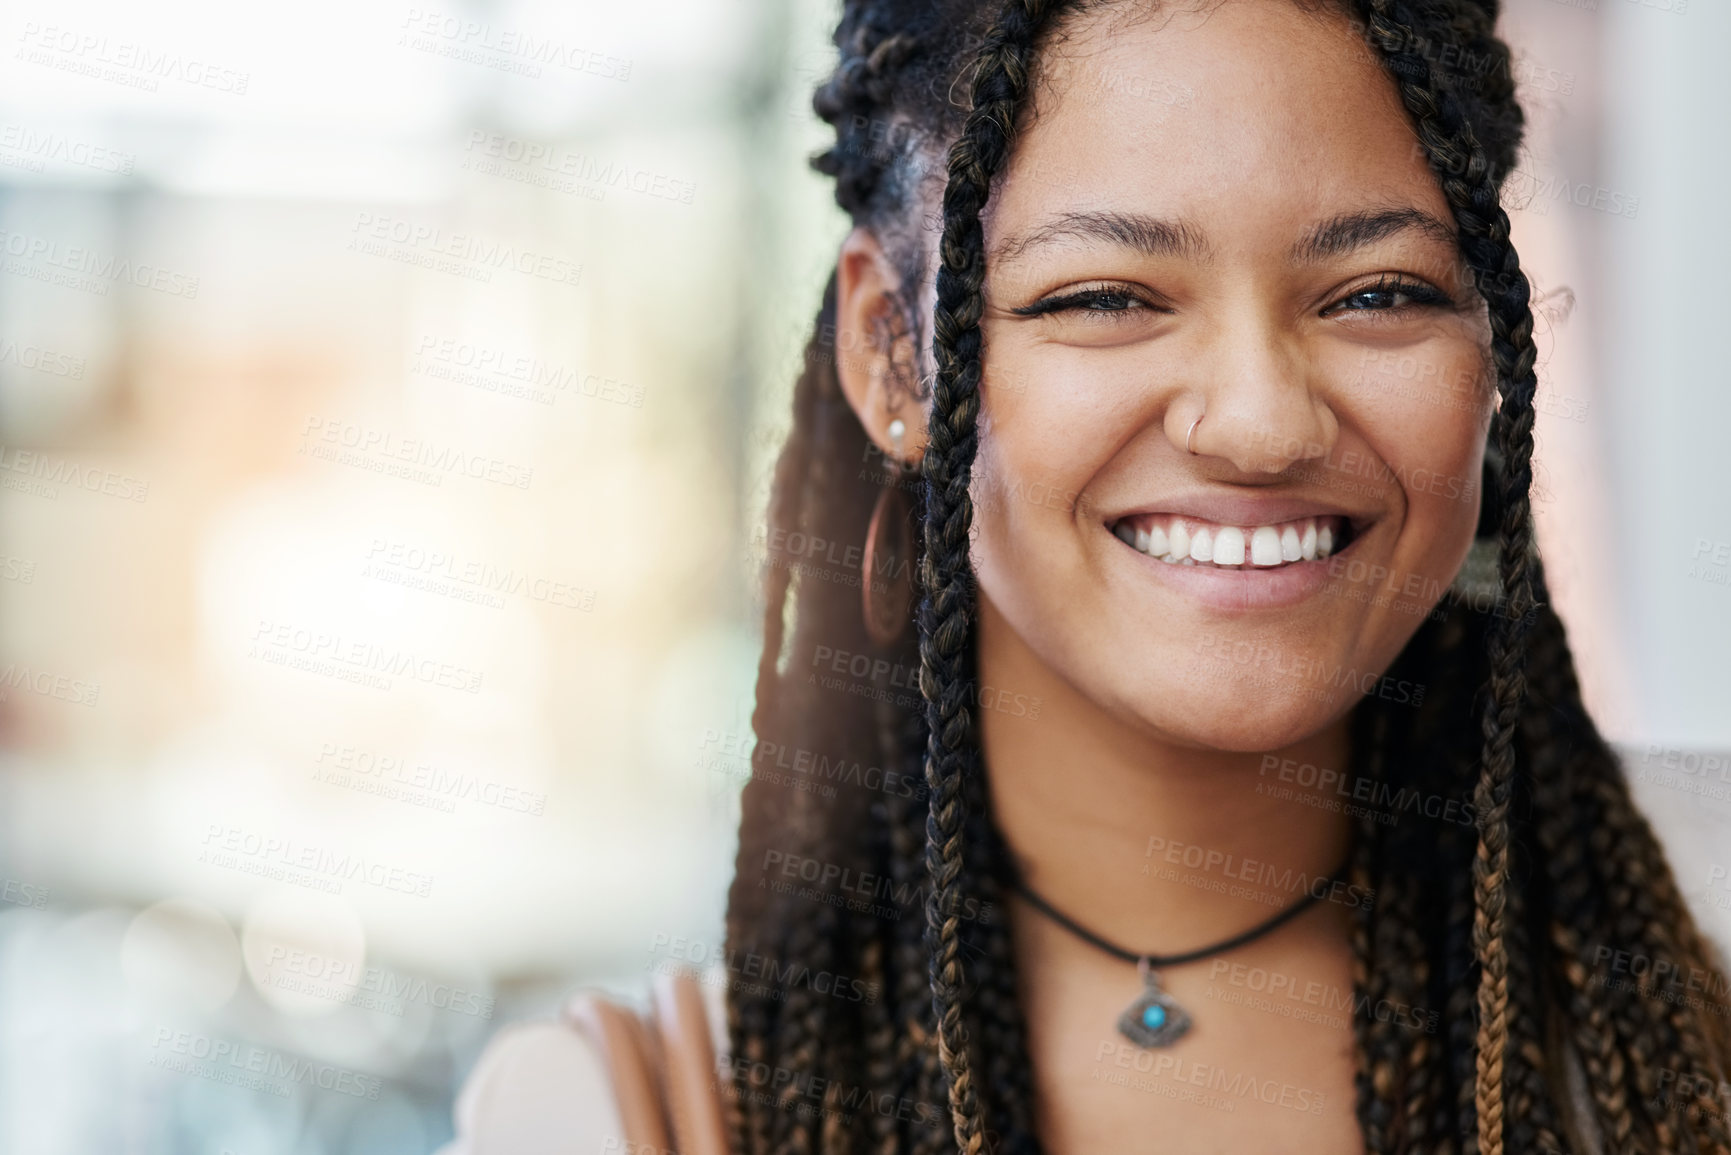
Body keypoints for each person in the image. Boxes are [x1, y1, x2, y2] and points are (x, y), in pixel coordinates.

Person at [443, 2, 1731, 1152]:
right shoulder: (650, 1112)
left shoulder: (1696, 974)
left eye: (1379, 290)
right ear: (895, 359)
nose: (1262, 423)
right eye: (1107, 296)